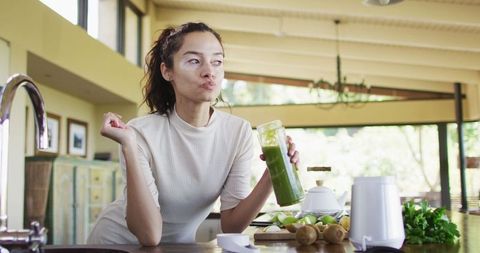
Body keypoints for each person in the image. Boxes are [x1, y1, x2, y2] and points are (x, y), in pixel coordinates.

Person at [87, 22, 300, 246]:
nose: (209, 71)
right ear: (167, 71)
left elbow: (231, 225)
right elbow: (149, 236)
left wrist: (272, 173)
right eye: (194, 61)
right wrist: (128, 145)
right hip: (116, 244)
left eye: (217, 61)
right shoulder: (140, 133)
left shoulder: (238, 132)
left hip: (179, 247)